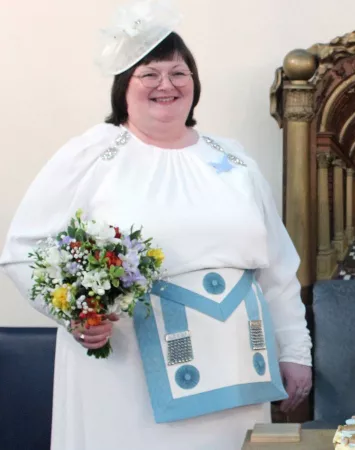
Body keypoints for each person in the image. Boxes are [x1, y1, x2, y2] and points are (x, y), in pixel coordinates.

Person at [0, 1, 311, 449]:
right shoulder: (90, 156)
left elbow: (278, 269)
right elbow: (22, 248)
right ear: (124, 86)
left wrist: (296, 351)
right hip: (126, 378)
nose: (166, 84)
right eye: (149, 73)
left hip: (238, 372)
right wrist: (76, 315)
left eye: (178, 73)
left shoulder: (234, 159)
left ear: (194, 84)